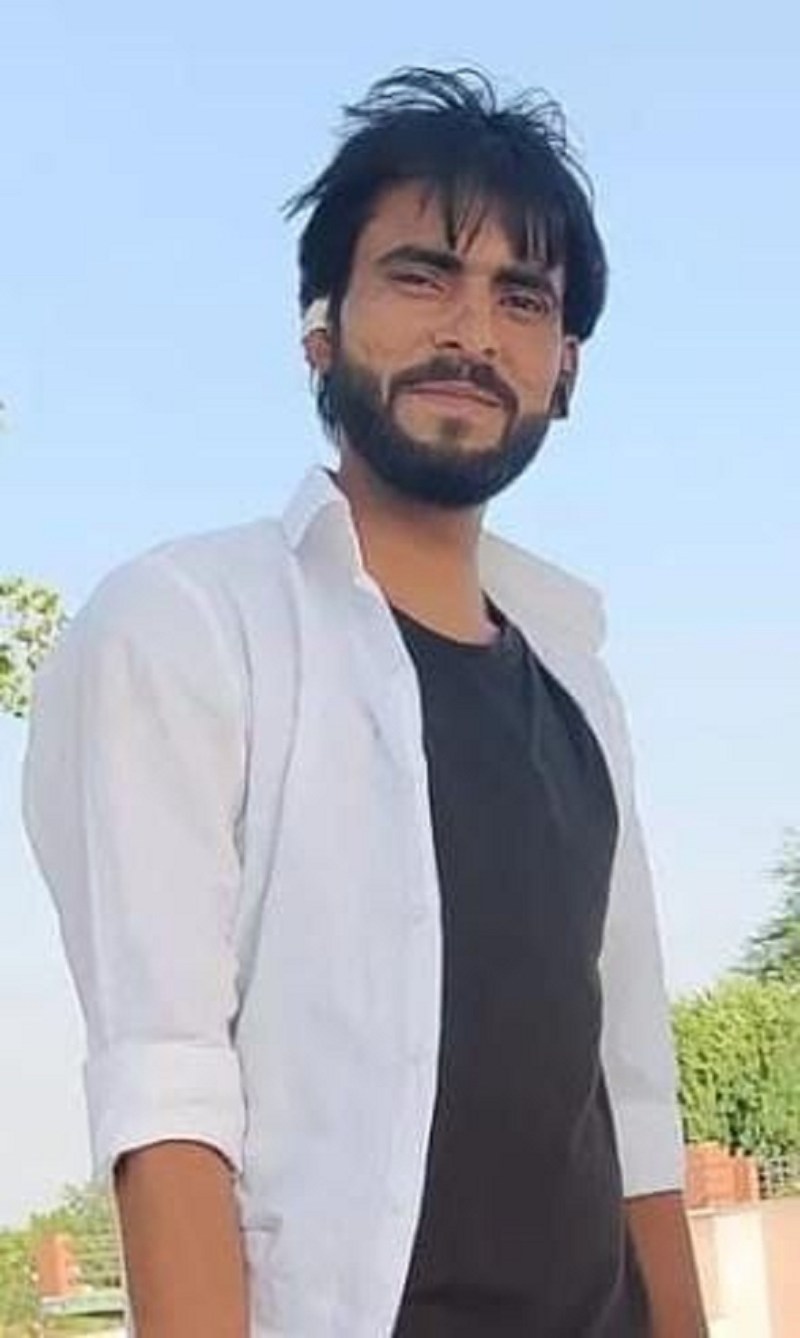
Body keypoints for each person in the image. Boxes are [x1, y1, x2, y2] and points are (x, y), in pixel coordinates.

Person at [22, 67, 707, 1337]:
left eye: (521, 298)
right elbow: (167, 1096)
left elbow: (634, 1097)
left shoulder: (578, 686)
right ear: (319, 329)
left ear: (563, 368)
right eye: (419, 277)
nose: (471, 332)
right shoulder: (186, 627)